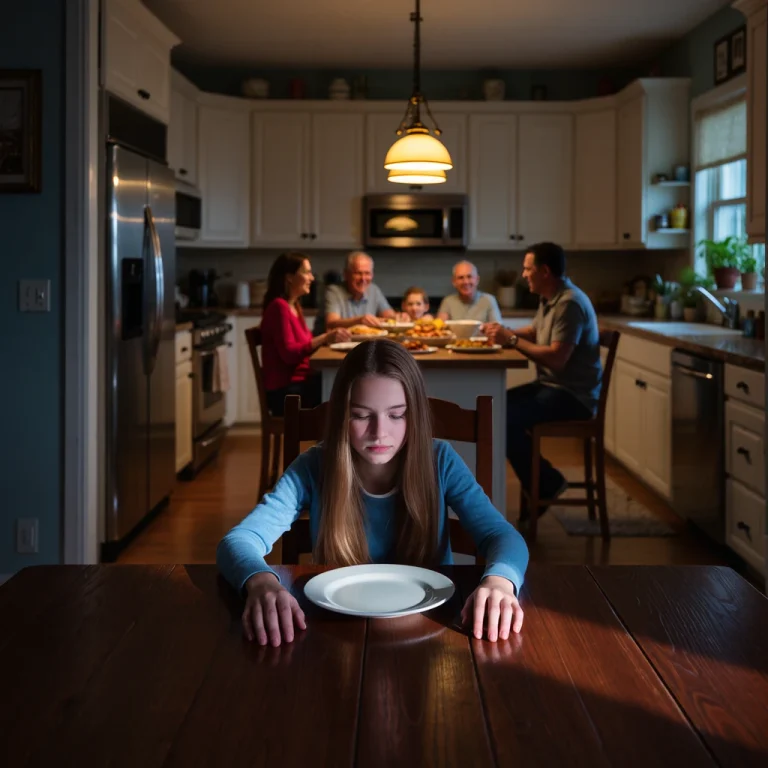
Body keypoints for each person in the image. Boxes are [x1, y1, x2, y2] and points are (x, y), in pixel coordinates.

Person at [217, 339, 529, 646]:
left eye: (397, 415)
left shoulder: (441, 461)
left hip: (433, 627)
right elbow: (240, 540)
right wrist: (261, 582)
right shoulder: (314, 467)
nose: (380, 433)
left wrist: (500, 582)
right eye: (362, 415)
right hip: (334, 630)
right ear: (342, 415)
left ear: (415, 414)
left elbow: (501, 535)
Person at [483, 242, 601, 517]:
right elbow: (536, 331)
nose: (524, 274)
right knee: (494, 409)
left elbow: (557, 359)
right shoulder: (550, 298)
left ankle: (546, 483)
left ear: (545, 271)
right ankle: (541, 482)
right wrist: (503, 331)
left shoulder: (570, 303)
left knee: (501, 418)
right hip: (552, 387)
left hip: (574, 396)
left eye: (528, 269)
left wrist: (511, 340)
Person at [260, 253, 350, 416]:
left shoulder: (294, 306)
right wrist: (324, 338)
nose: (312, 278)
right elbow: (289, 354)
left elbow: (305, 344)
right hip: (286, 392)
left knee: (344, 387)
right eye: (306, 272)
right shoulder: (279, 307)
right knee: (344, 393)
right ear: (289, 277)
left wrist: (328, 338)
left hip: (299, 384)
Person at [324, 251, 396, 330]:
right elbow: (331, 323)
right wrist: (358, 321)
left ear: (372, 275)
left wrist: (399, 317)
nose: (363, 279)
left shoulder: (374, 290)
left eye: (367, 273)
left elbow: (389, 316)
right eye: (358, 273)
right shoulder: (333, 291)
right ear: (346, 274)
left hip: (366, 338)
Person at [437, 261, 502, 323]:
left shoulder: (489, 300)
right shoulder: (448, 302)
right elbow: (440, 326)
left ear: (477, 280)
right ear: (454, 282)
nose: (466, 282)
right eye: (461, 278)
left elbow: (497, 327)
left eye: (469, 277)